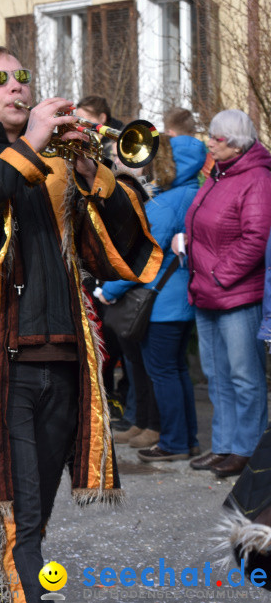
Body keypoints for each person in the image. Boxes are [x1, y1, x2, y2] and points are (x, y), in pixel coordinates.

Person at [0, 46, 160, 603]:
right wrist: (31, 148)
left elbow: (115, 253)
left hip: (65, 357)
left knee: (33, 515)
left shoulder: (58, 162)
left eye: (23, 76)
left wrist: (96, 172)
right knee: (19, 515)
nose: (18, 86)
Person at [100, 134, 207, 462]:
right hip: (176, 301)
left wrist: (108, 290)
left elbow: (141, 254)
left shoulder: (169, 202)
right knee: (175, 371)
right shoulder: (190, 193)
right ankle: (184, 439)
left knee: (162, 372)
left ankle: (174, 442)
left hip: (162, 303)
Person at [183, 109, 271, 478]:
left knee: (244, 375)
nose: (209, 142)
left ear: (234, 144)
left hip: (235, 295)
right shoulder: (218, 174)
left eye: (216, 138)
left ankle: (247, 449)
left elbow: (257, 238)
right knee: (216, 374)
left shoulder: (257, 179)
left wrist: (219, 275)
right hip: (206, 291)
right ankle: (223, 446)